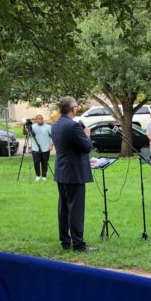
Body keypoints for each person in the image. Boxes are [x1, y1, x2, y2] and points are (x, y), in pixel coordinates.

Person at [51, 96, 95, 252]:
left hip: (62, 172)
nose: (77, 108)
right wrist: (87, 135)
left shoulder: (55, 125)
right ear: (72, 108)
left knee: (63, 208)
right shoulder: (73, 126)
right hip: (74, 173)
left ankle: (65, 240)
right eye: (76, 106)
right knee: (76, 209)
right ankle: (78, 243)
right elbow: (86, 147)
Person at [29, 114, 53, 182]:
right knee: (36, 162)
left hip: (46, 148)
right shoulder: (32, 126)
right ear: (36, 120)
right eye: (38, 119)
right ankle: (38, 175)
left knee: (45, 162)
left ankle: (44, 176)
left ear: (43, 119)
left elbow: (52, 136)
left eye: (41, 118)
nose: (40, 120)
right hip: (35, 148)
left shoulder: (48, 126)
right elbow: (26, 133)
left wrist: (51, 144)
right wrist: (24, 126)